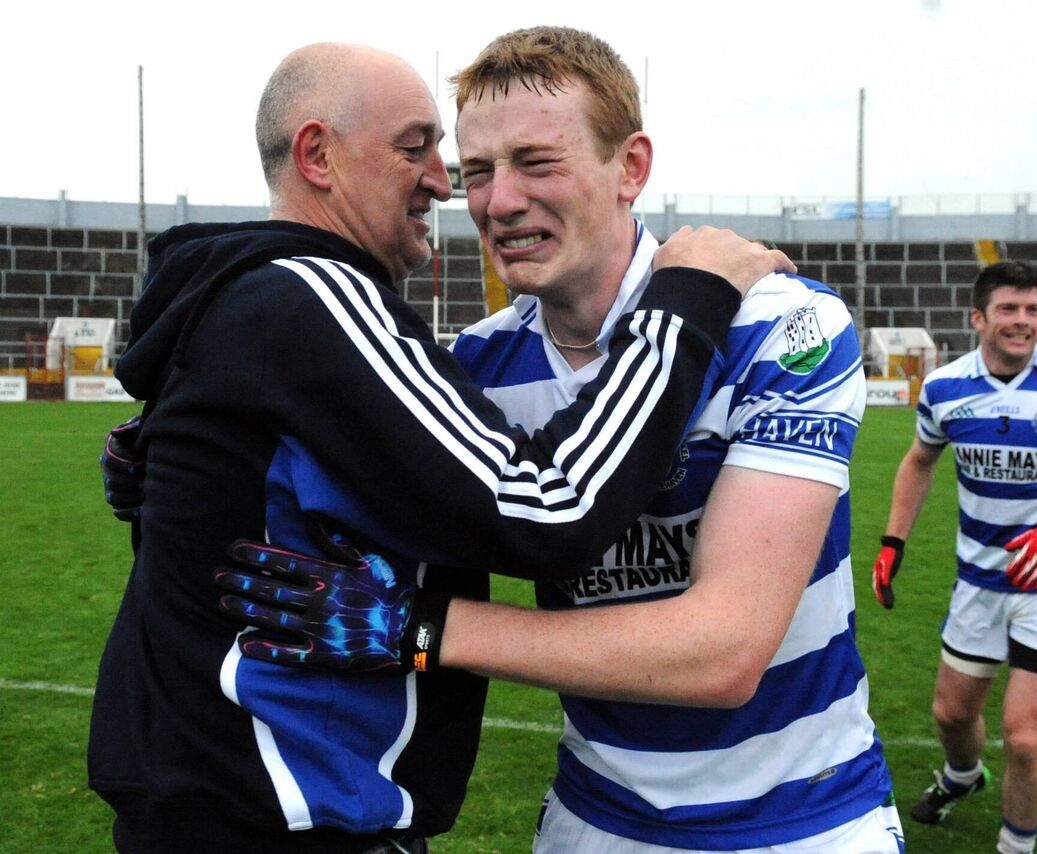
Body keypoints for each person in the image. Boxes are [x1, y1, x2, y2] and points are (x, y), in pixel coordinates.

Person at [87, 40, 791, 854]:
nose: (443, 180)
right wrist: (688, 298)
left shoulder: (247, 298)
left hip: (220, 800)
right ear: (318, 154)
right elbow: (549, 508)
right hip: (280, 811)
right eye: (415, 147)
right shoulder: (316, 293)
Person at [218, 26, 901, 853]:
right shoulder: (471, 366)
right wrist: (182, 441)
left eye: (536, 162)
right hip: (592, 819)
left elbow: (725, 651)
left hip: (804, 825)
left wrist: (419, 631)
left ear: (632, 168)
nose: (498, 201)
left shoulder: (779, 325)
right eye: (476, 172)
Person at [870, 260, 1037, 854]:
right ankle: (964, 776)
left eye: (1033, 310)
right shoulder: (944, 389)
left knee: (1025, 737)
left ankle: (1015, 845)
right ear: (979, 318)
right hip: (979, 580)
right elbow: (919, 461)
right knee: (950, 714)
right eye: (1009, 310)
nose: (1023, 322)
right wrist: (893, 541)